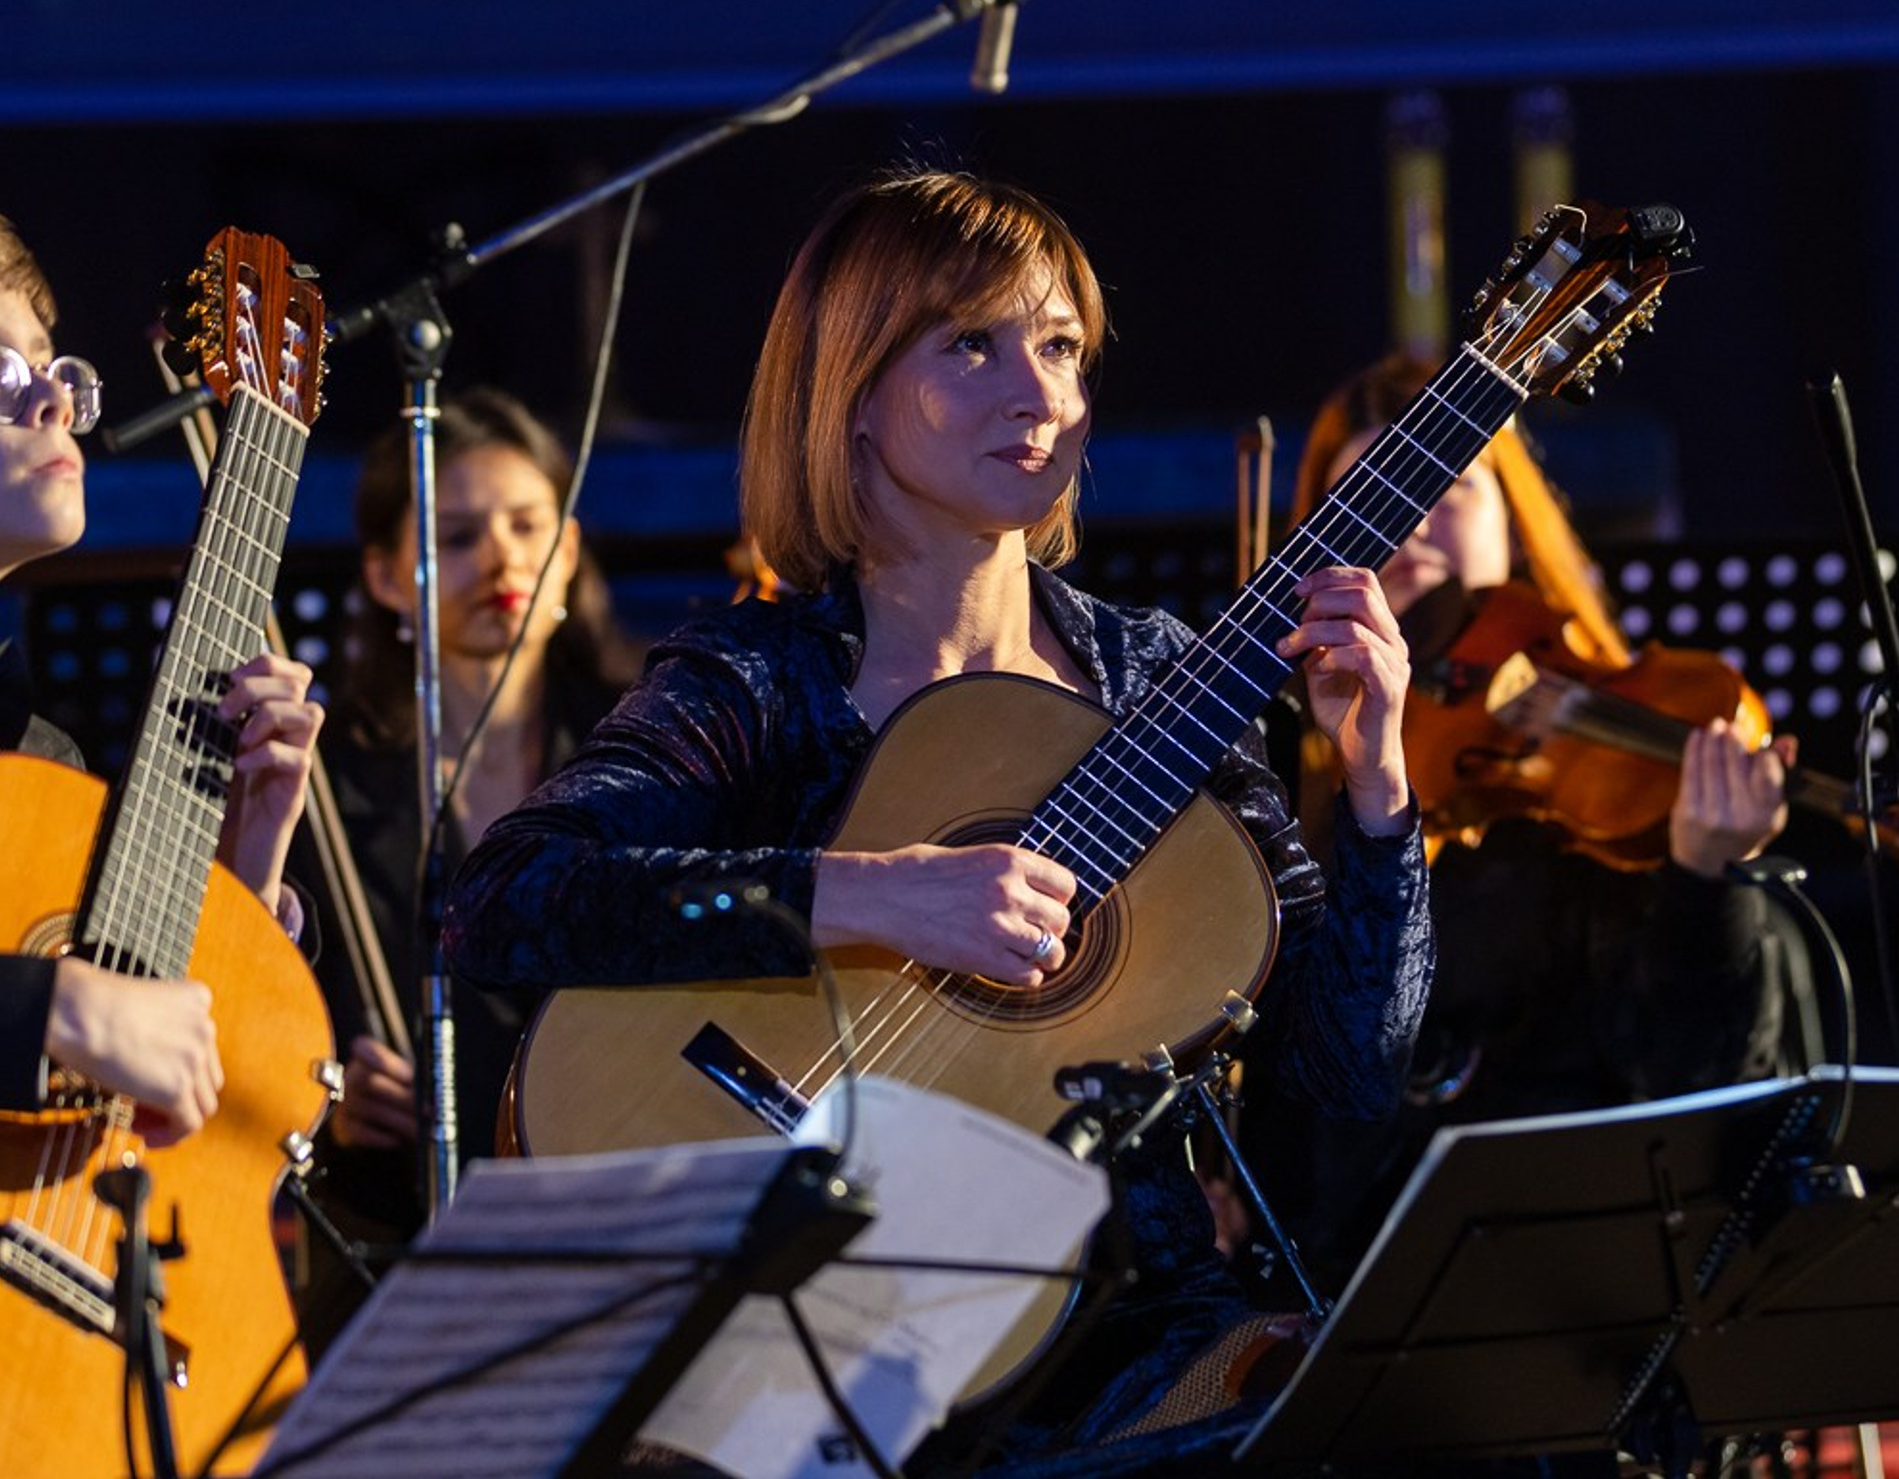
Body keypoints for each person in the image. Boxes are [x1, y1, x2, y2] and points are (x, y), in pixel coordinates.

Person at [442, 166, 1433, 1459]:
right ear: (851, 392)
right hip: (833, 1318)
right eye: (972, 344)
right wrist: (872, 896)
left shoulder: (1161, 684)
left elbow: (1350, 1073)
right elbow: (501, 902)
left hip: (1135, 1331)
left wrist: (1377, 790)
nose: (1040, 395)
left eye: (1061, 347)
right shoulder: (763, 681)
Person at [1233, 350, 1803, 1300]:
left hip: (1592, 1277)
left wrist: (1705, 882)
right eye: (1368, 496)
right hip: (1342, 1288)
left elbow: (1707, 1105)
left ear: (1513, 521)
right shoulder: (1278, 800)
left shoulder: (1603, 799)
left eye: (1447, 484)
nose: (1408, 517)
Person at [291, 386, 641, 1349]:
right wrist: (322, 1095)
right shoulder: (319, 779)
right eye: (454, 537)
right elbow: (259, 1006)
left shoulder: (649, 753)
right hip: (395, 1251)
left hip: (617, 1229)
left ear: (568, 550)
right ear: (385, 576)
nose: (500, 559)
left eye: (528, 526)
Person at [0, 213, 322, 1138]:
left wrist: (238, 877)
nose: (53, 402)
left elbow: (168, 1112)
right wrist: (50, 1007)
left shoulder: (42, 764)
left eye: (53, 369)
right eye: (2, 377)